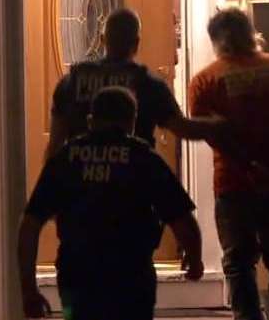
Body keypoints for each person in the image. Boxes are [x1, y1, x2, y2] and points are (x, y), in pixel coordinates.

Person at [19, 86, 204, 320]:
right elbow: (182, 219)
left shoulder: (66, 159)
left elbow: (30, 225)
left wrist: (28, 288)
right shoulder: (143, 158)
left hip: (77, 276)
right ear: (132, 121)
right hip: (131, 275)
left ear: (90, 121)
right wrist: (194, 259)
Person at [189, 7, 269, 320]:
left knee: (239, 263)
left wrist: (247, 162)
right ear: (251, 33)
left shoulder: (206, 80)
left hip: (235, 184)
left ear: (216, 40)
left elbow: (210, 131)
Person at [45, 8, 223, 162]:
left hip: (82, 183)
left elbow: (54, 147)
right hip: (133, 182)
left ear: (102, 39)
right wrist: (220, 125)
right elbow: (183, 128)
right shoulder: (149, 85)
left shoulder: (71, 83)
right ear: (136, 43)